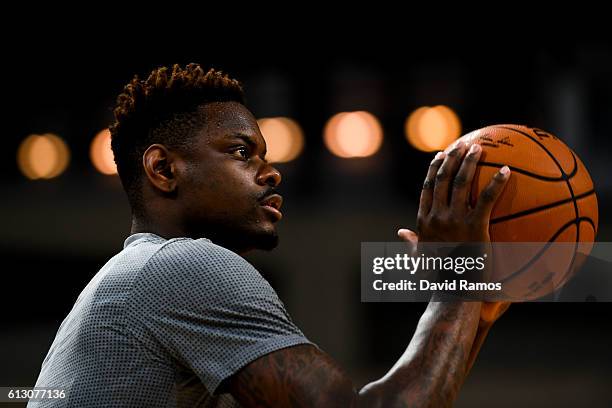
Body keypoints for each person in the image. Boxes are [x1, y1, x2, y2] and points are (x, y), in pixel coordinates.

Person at [29, 63, 510, 407]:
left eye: (265, 155)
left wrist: (472, 316)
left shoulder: (140, 276)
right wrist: (458, 281)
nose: (272, 173)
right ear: (163, 169)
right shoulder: (181, 267)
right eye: (242, 152)